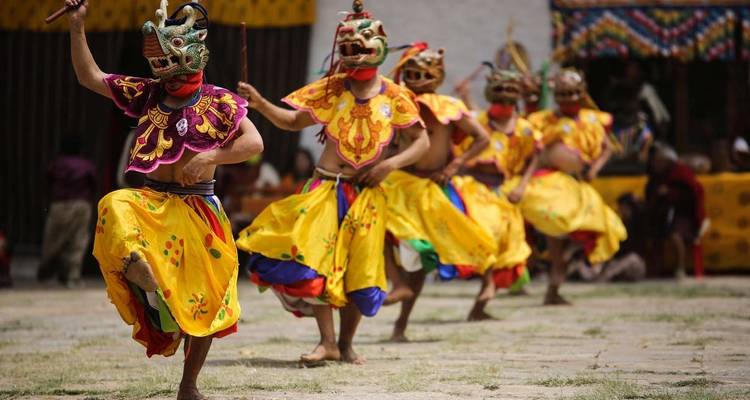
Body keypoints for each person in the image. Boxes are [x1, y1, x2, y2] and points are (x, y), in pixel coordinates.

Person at [66, 1, 264, 399]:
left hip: (199, 209)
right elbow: (91, 76)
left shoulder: (220, 100)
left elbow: (254, 143)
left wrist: (212, 155)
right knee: (115, 203)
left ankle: (188, 385)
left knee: (207, 301)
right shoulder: (148, 94)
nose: (164, 72)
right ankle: (139, 269)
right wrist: (77, 27)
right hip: (154, 204)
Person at [235, 0, 429, 365]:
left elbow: (422, 141)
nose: (355, 57)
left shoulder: (396, 96)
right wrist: (259, 103)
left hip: (368, 194)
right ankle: (327, 342)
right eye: (349, 50)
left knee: (358, 269)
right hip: (324, 188)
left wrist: (391, 165)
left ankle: (347, 343)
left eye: (362, 49)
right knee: (315, 261)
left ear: (379, 50)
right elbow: (293, 123)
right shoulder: (332, 89)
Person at [379, 43, 499, 340]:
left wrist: (455, 165)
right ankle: (398, 298)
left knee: (445, 248)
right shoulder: (395, 103)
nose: (419, 78)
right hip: (399, 185)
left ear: (438, 74)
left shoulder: (449, 106)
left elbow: (482, 138)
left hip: (434, 188)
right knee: (388, 238)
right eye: (413, 72)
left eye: (424, 73)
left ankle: (487, 285)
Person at [524, 69, 627, 305]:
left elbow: (607, 148)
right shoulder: (544, 120)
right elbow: (535, 152)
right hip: (548, 186)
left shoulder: (592, 120)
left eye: (573, 93)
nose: (568, 99)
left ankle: (555, 285)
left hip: (578, 186)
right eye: (563, 94)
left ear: (581, 93)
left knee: (592, 230)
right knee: (556, 235)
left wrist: (594, 169)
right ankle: (552, 288)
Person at [451, 65, 539, 319]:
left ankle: (479, 308)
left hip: (503, 191)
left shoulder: (524, 128)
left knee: (506, 245)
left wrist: (522, 185)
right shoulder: (478, 122)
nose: (504, 93)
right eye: (499, 88)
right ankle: (486, 287)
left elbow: (535, 155)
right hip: (474, 188)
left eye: (510, 89)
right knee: (485, 235)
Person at [37, 136, 96, 288]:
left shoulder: (57, 164)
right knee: (78, 240)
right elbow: (93, 184)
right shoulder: (86, 164)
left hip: (59, 204)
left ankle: (46, 273)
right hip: (82, 205)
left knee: (53, 239)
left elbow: (46, 183)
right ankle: (72, 276)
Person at [645, 142, 707, 279]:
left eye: (658, 161)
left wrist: (670, 193)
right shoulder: (656, 175)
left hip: (684, 215)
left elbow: (692, 196)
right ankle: (655, 269)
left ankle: (680, 268)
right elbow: (650, 195)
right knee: (652, 233)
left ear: (667, 161)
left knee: (675, 235)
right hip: (662, 213)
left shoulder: (681, 172)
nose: (655, 164)